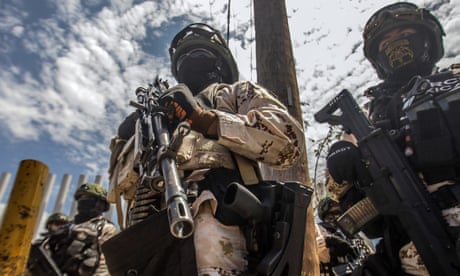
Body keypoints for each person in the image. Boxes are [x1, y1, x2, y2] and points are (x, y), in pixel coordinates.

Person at [105, 23, 305, 275]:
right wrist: (127, 141)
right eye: (186, 55)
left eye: (200, 53)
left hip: (214, 229)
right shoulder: (156, 116)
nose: (191, 60)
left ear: (220, 64)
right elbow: (119, 190)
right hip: (148, 240)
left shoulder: (233, 94)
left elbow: (289, 142)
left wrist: (205, 118)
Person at [325, 2, 460, 275]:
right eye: (386, 41)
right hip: (409, 250)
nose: (396, 44)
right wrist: (342, 160)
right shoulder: (365, 120)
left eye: (404, 34)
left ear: (427, 40)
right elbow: (340, 202)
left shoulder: (454, 82)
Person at [47, 183, 118, 275]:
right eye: (80, 199)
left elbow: (106, 264)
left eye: (86, 198)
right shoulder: (68, 227)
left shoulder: (106, 228)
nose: (81, 201)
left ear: (99, 203)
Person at [316, 196, 373, 276]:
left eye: (338, 213)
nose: (336, 217)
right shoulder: (323, 230)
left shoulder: (353, 233)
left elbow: (368, 252)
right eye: (331, 215)